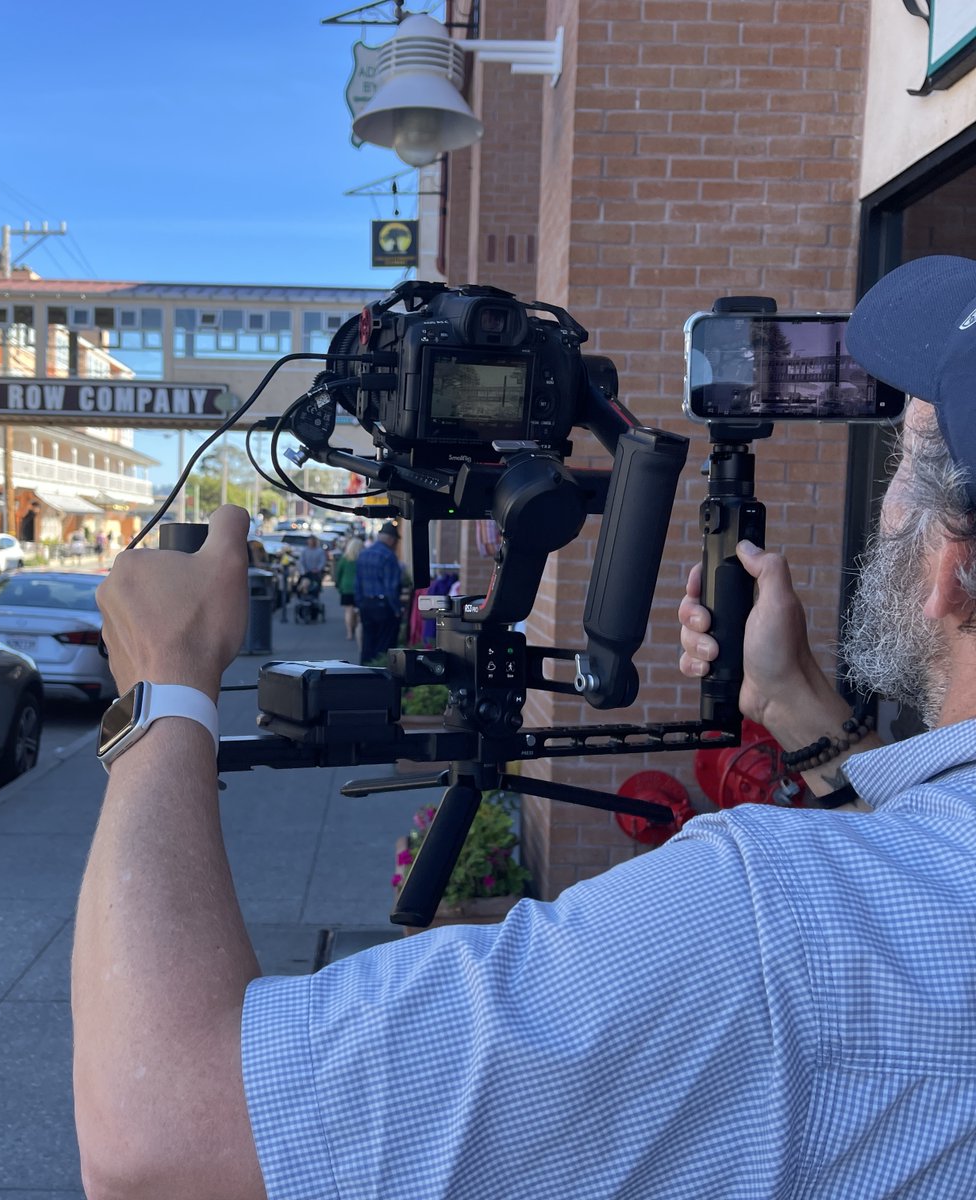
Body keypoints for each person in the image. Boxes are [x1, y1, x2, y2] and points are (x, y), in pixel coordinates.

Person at [73, 255, 976, 1199]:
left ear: (947, 565)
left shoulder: (765, 924)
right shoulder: (871, 906)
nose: (885, 500)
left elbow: (165, 1142)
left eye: (902, 457)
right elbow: (908, 879)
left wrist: (165, 687)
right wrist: (796, 706)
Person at [353, 521, 403, 663]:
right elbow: (391, 587)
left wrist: (360, 603)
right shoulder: (389, 556)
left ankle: (366, 674)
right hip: (384, 606)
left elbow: (357, 583)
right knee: (384, 645)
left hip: (366, 604)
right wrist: (397, 609)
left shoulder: (363, 554)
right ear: (391, 539)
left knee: (368, 642)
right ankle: (381, 675)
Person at [332, 536, 363, 640]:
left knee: (348, 611)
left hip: (346, 587)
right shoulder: (362, 559)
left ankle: (349, 633)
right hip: (360, 588)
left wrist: (339, 585)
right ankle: (359, 630)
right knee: (359, 612)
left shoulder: (344, 559)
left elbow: (338, 573)